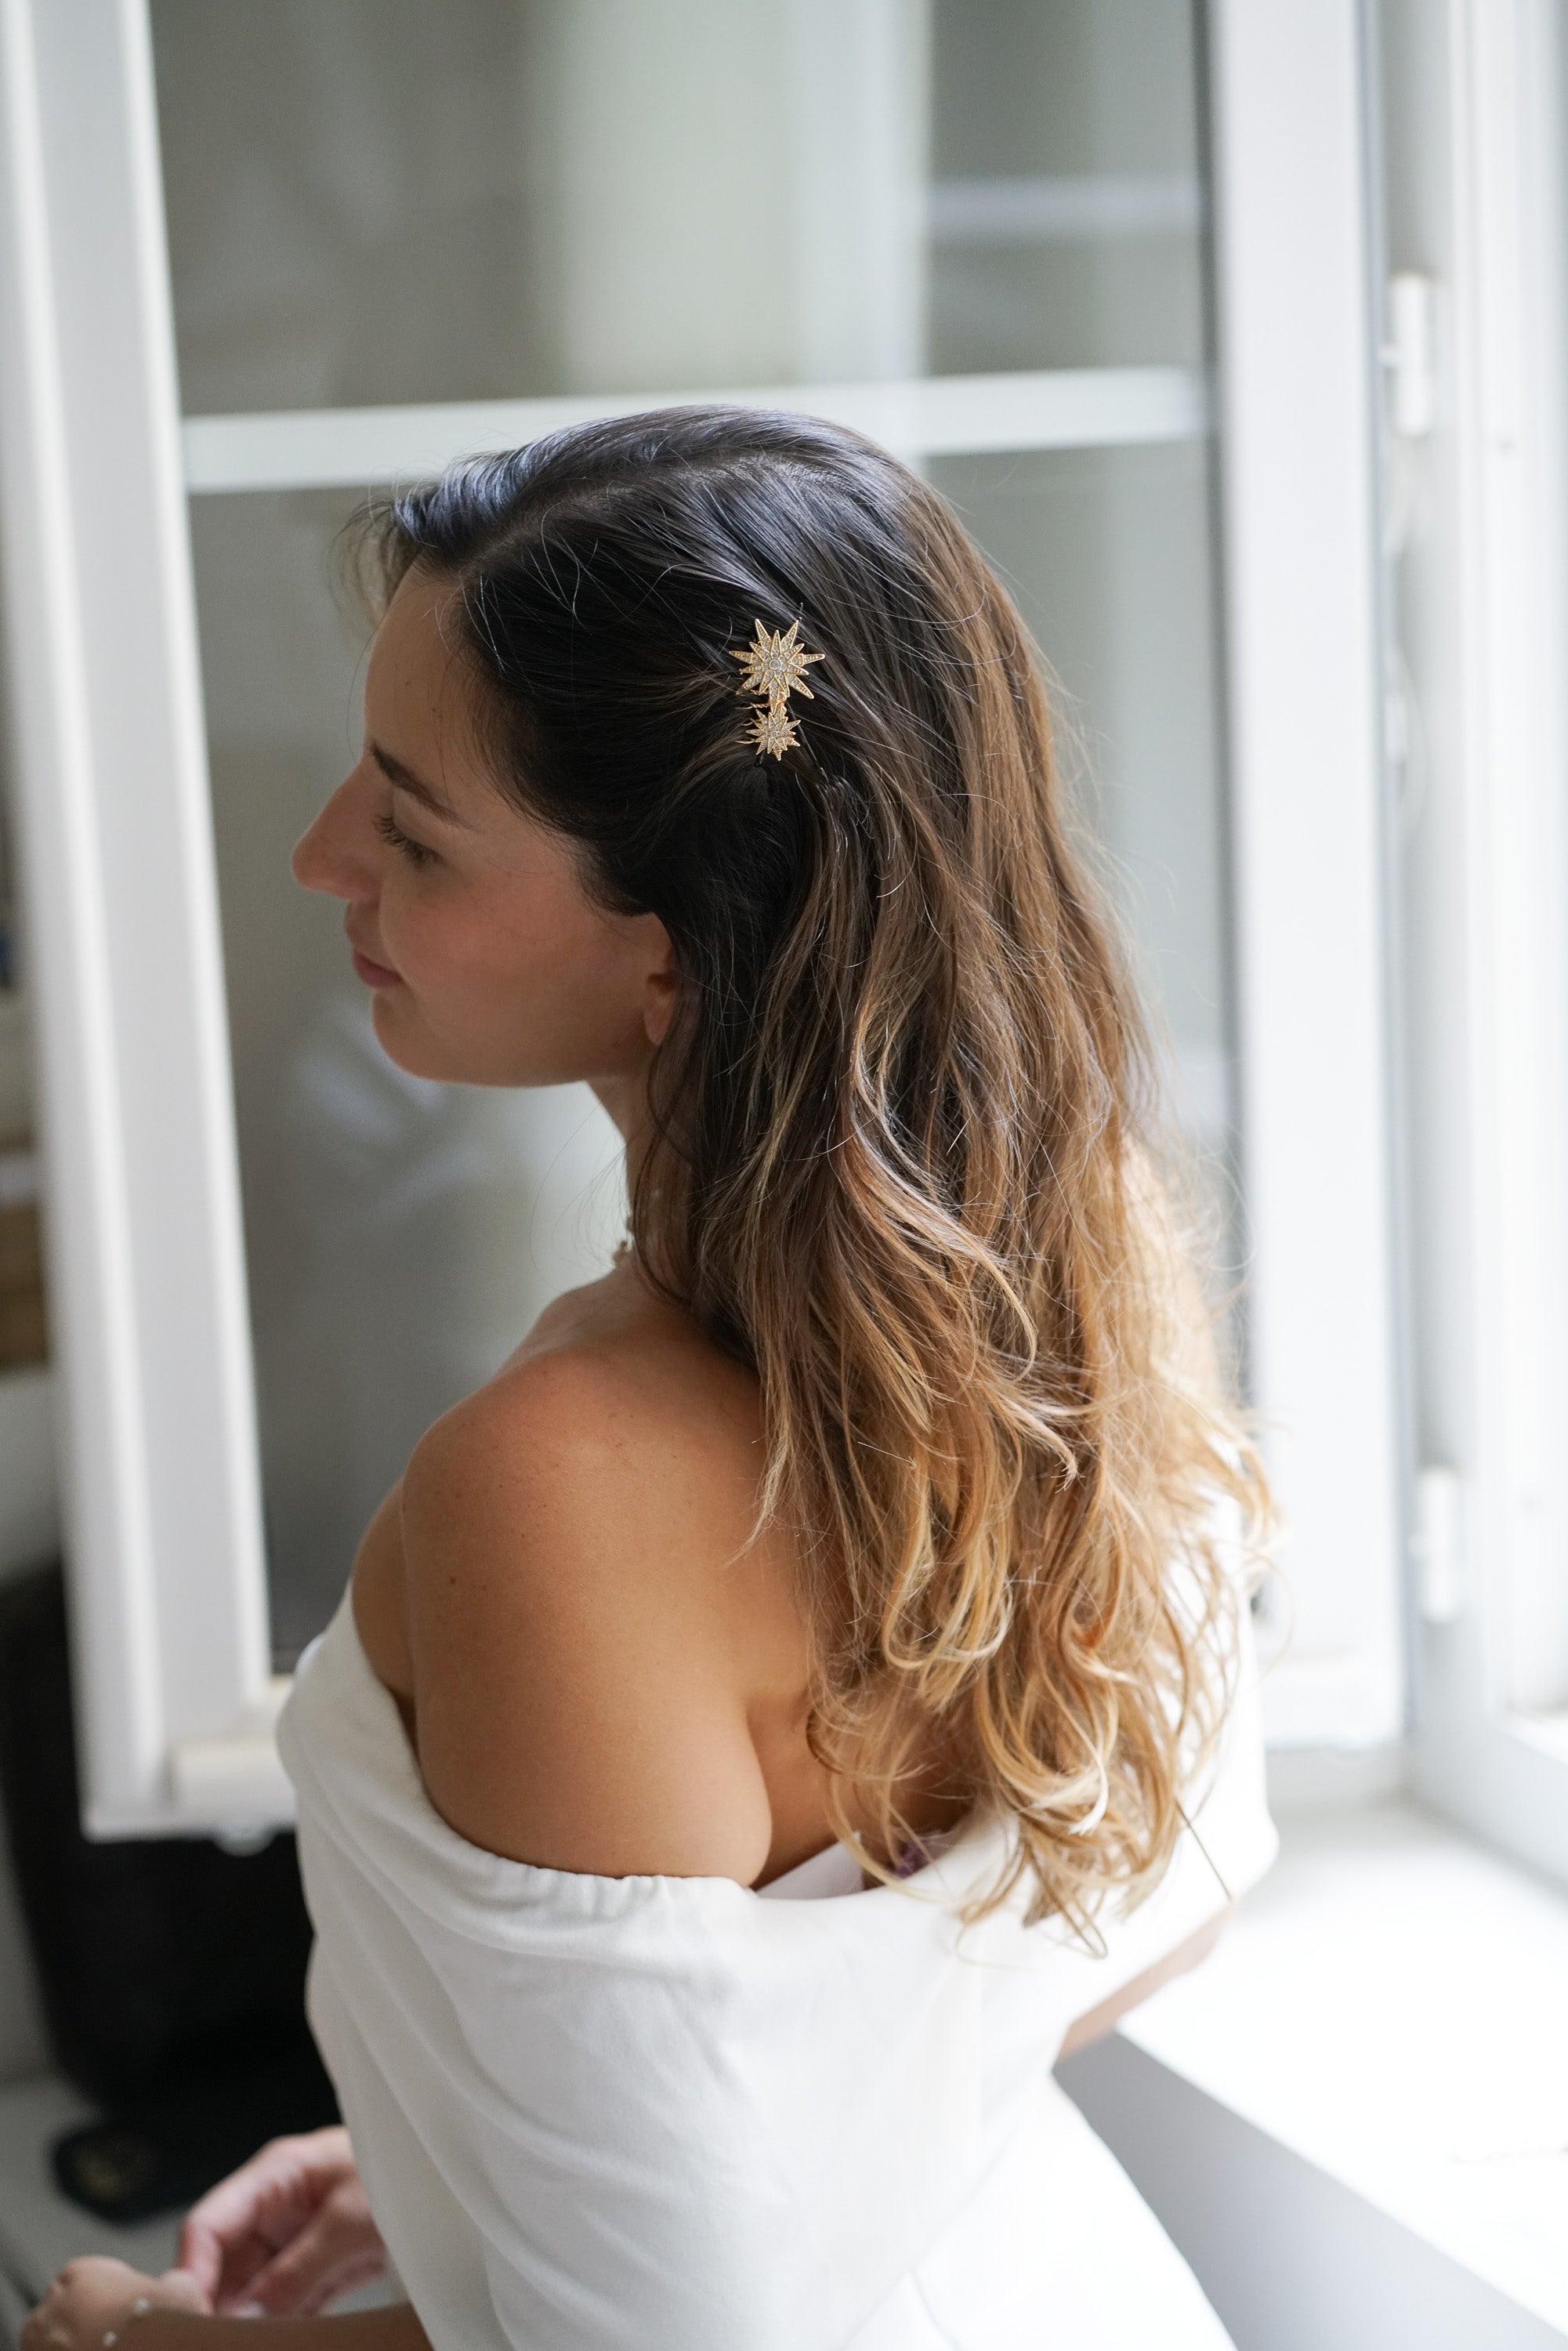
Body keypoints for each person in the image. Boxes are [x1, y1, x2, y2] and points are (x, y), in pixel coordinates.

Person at [25, 408, 1274, 2351]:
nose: (317, 856)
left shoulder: (562, 1488)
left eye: (411, 825)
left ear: (678, 951)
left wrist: (162, 2345)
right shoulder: (1074, 1253)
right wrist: (490, 2123)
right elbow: (1142, 1896)